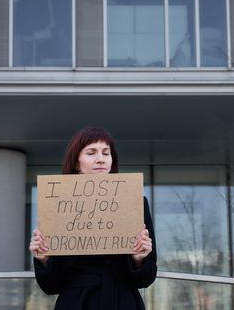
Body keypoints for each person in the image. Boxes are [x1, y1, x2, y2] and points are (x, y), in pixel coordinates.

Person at [29, 127, 157, 309]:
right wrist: (44, 260)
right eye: (91, 153)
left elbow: (147, 278)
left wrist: (139, 260)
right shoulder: (56, 203)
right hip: (76, 303)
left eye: (106, 153)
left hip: (123, 302)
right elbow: (50, 286)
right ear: (75, 162)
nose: (101, 159)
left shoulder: (135, 201)